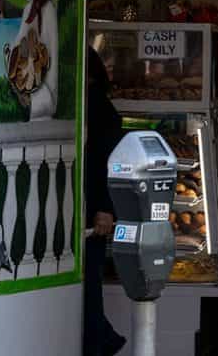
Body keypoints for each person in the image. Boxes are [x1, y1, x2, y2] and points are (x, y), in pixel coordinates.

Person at [84, 46, 127, 356]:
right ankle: (101, 340)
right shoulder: (98, 107)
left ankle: (101, 342)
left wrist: (104, 209)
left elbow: (105, 163)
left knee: (87, 289)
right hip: (89, 210)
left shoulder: (98, 109)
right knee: (88, 287)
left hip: (92, 211)